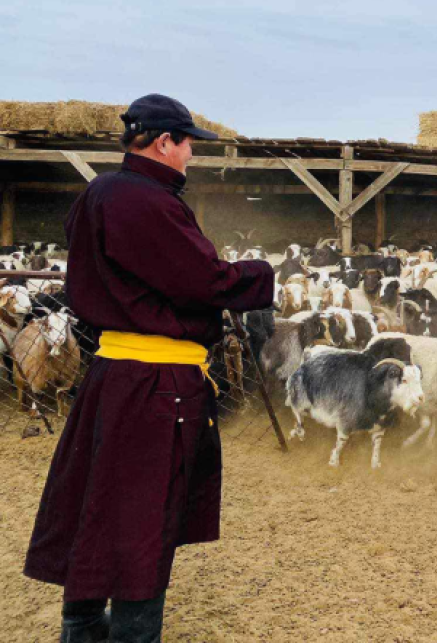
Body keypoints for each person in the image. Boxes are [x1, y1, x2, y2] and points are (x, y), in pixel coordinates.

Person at [24, 94, 275, 643]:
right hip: (157, 386)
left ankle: (83, 628)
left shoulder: (99, 194)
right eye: (188, 144)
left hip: (112, 374)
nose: (191, 155)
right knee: (144, 516)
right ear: (164, 141)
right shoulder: (149, 202)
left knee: (98, 504)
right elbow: (202, 279)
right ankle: (133, 635)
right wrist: (258, 273)